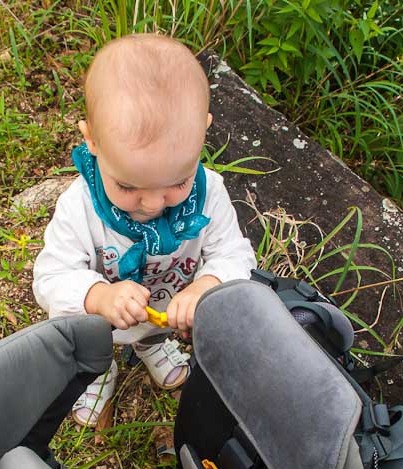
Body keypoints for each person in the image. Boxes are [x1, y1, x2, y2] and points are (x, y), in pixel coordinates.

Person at [32, 33, 256, 427]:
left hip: (162, 313)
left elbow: (234, 255)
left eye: (178, 182)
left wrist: (207, 284)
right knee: (90, 345)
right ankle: (98, 372)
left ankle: (152, 347)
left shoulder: (210, 194)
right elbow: (50, 278)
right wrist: (98, 295)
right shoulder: (80, 206)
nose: (154, 205)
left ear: (203, 132)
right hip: (99, 322)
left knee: (153, 330)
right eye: (129, 186)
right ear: (92, 141)